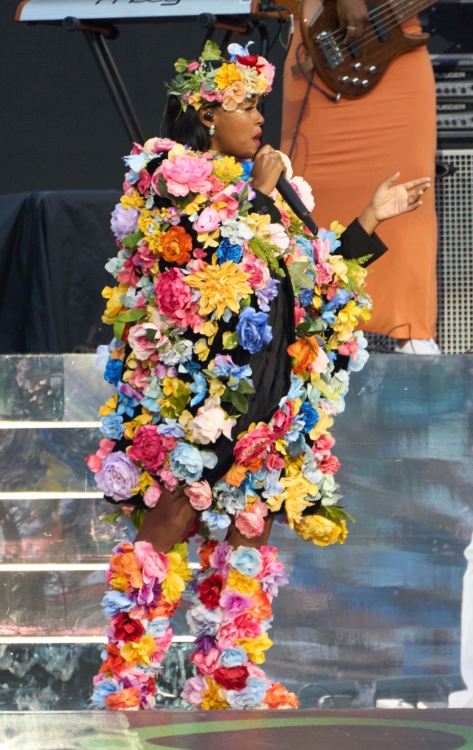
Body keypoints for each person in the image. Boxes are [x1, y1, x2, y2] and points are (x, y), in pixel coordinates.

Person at [87, 40, 431, 711]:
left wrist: (368, 219)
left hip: (270, 397)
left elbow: (317, 282)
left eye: (259, 107)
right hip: (201, 400)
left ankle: (229, 675)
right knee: (169, 531)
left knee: (247, 540)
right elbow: (202, 272)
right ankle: (127, 680)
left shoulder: (277, 190)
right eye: (246, 106)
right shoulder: (169, 177)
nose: (259, 121)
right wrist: (262, 194)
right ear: (207, 114)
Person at [281, 0, 439, 354]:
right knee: (309, 199)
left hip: (395, 38)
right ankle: (312, 331)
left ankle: (412, 334)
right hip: (322, 33)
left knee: (409, 198)